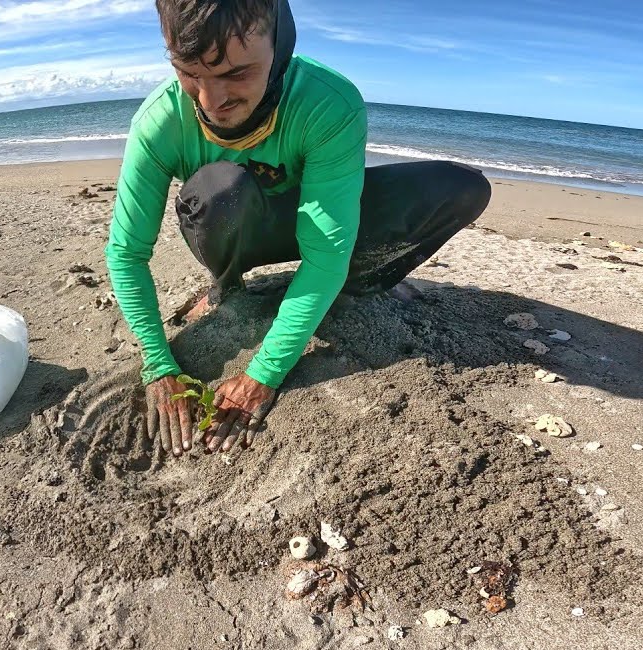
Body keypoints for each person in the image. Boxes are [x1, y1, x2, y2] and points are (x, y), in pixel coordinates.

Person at [105, 0, 491, 457]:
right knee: (218, 186)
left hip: (320, 215)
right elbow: (127, 253)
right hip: (236, 223)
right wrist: (157, 363)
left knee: (461, 187)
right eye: (189, 72)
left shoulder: (328, 103)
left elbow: (325, 250)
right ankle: (225, 285)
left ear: (281, 48)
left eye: (236, 74)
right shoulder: (159, 122)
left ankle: (360, 279)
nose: (210, 102)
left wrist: (262, 375)